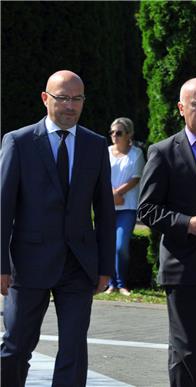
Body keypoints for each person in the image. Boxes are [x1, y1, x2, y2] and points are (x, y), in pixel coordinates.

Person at [1, 70, 115, 386]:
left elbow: (105, 211)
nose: (70, 106)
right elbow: (3, 208)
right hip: (27, 263)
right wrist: (1, 265)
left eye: (76, 98)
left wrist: (106, 265)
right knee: (16, 347)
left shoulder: (95, 144)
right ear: (45, 98)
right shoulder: (19, 142)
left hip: (78, 265)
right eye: (62, 98)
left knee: (73, 349)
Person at [138, 77, 196, 387]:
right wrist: (187, 223)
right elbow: (146, 210)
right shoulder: (163, 152)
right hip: (182, 265)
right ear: (181, 108)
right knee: (185, 350)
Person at [106, 117, 145, 296]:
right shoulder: (105, 152)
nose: (114, 135)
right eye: (112, 132)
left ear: (129, 134)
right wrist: (111, 195)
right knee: (106, 244)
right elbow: (100, 176)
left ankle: (122, 283)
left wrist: (118, 193)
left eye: (119, 132)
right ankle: (110, 283)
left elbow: (136, 177)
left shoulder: (136, 153)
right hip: (106, 206)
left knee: (120, 246)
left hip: (127, 207)